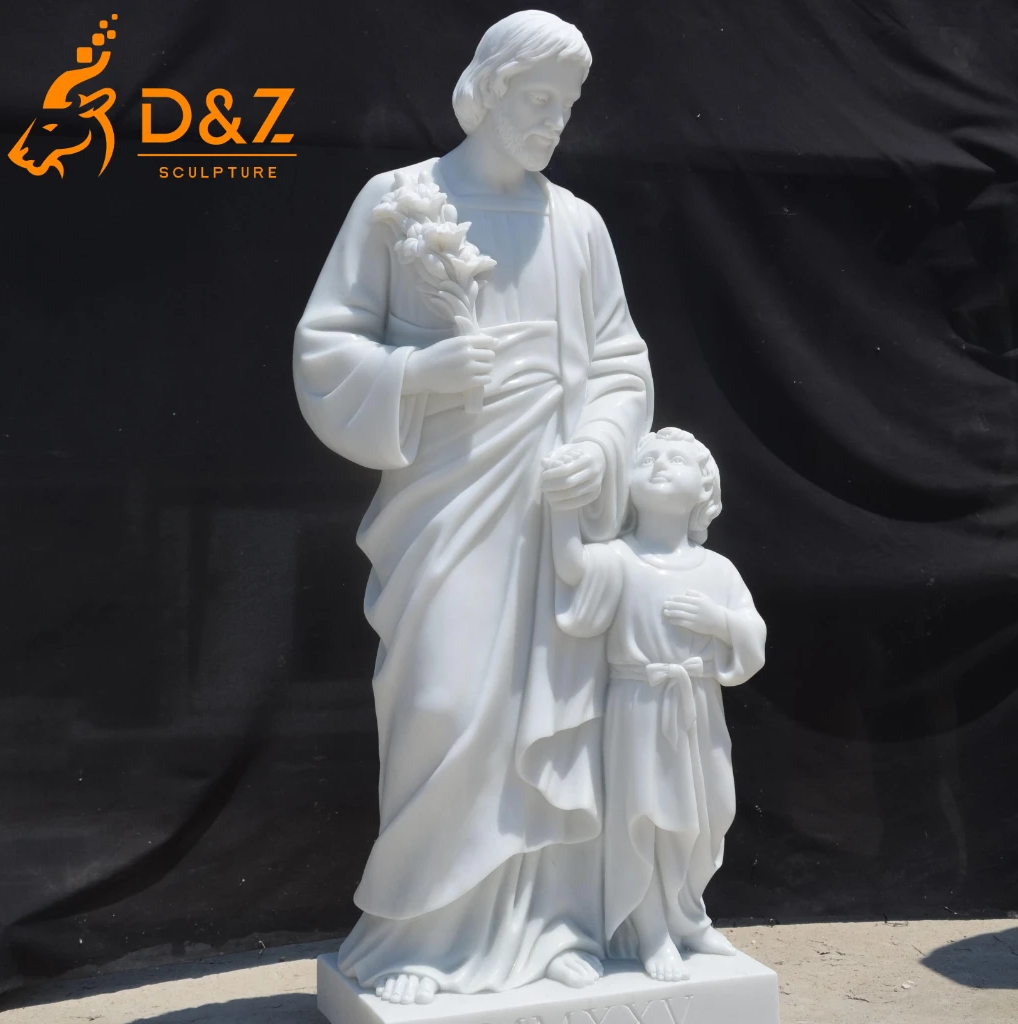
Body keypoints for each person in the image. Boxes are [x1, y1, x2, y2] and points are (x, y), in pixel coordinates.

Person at [292, 11, 653, 1004]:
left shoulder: (576, 225)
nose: (553, 122)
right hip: (447, 508)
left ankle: (550, 925)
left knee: (551, 713)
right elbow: (326, 348)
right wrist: (423, 375)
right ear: (487, 90)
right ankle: (420, 934)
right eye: (537, 100)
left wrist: (600, 446)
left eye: (566, 106)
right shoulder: (398, 202)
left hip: (555, 512)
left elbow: (621, 363)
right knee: (444, 704)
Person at [543, 428, 766, 982]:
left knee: (707, 812)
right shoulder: (620, 558)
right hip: (638, 705)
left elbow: (753, 632)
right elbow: (572, 568)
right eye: (649, 458)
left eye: (677, 460)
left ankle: (688, 916)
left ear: (704, 490)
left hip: (698, 705)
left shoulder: (718, 569)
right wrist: (562, 509)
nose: (661, 465)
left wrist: (719, 622)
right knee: (643, 818)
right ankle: (652, 932)